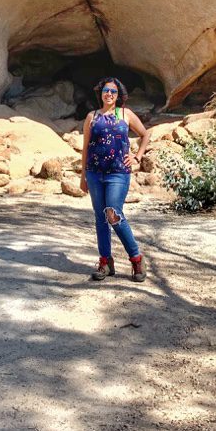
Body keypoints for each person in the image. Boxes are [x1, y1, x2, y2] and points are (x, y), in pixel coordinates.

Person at [80, 76, 151, 282]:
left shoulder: (125, 114)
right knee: (100, 218)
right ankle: (105, 261)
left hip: (118, 172)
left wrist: (137, 156)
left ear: (118, 95)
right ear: (100, 93)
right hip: (94, 172)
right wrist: (82, 176)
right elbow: (85, 147)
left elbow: (145, 134)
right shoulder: (92, 116)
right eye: (106, 91)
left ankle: (136, 258)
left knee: (113, 213)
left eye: (113, 91)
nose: (109, 94)